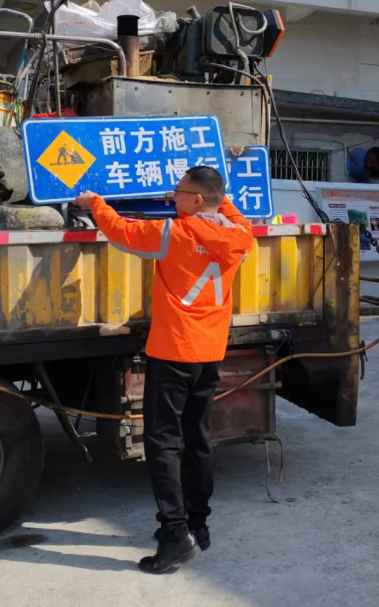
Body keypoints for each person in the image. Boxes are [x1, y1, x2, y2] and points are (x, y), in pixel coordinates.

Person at [75, 166, 253, 574]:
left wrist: (94, 203)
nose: (172, 197)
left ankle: (174, 534)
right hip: (209, 351)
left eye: (179, 192)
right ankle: (198, 525)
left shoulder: (175, 233)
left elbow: (121, 231)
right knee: (198, 438)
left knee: (163, 443)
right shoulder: (240, 235)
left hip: (174, 350)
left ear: (196, 200)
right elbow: (226, 208)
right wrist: (210, 194)